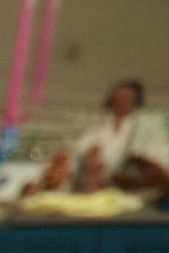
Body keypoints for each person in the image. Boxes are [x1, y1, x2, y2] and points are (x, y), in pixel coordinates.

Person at [38, 80, 169, 195]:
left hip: (136, 191)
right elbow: (75, 154)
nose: (121, 102)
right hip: (97, 191)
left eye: (127, 98)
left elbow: (158, 161)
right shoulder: (97, 130)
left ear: (135, 102)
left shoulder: (146, 130)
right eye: (117, 98)